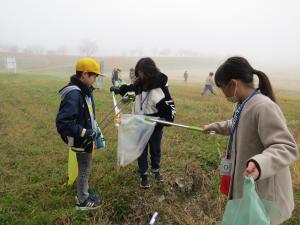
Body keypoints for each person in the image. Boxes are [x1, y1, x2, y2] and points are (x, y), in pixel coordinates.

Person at [203, 57, 298, 225]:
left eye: (222, 88)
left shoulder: (263, 106)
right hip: (250, 188)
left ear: (233, 84)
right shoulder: (245, 104)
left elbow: (286, 146)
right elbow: (238, 124)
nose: (223, 94)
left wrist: (260, 163)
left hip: (265, 192)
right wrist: (215, 127)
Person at [111, 57, 176, 188]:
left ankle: (156, 170)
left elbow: (170, 111)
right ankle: (144, 175)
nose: (139, 76)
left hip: (154, 124)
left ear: (149, 73)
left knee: (155, 148)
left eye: (141, 74)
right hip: (139, 121)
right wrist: (119, 90)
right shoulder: (139, 84)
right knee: (140, 148)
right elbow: (130, 90)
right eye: (138, 73)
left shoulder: (159, 89)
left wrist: (162, 121)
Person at [56, 57, 104, 210]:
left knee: (85, 168)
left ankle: (83, 192)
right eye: (94, 76)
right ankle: (82, 201)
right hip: (81, 140)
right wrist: (85, 132)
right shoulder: (75, 94)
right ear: (84, 75)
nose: (95, 79)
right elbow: (64, 123)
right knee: (84, 170)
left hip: (85, 138)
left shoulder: (84, 91)